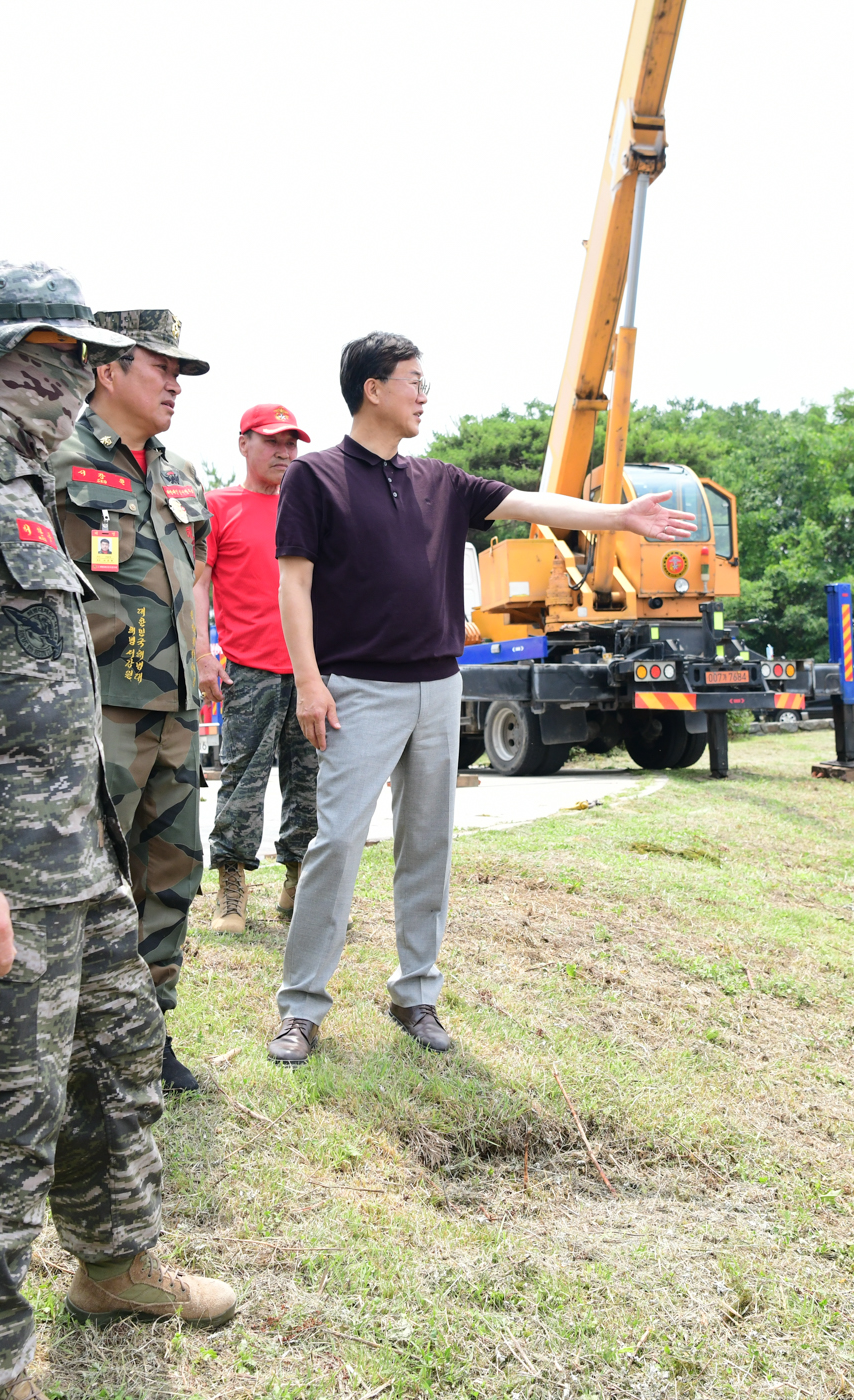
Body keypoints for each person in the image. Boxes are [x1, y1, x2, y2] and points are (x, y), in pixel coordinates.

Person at [0, 263, 233, 1400]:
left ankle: (116, 1264)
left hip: (77, 865)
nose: (78, 379)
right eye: (60, 356)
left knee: (116, 1073)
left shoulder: (22, 486)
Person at [266, 333, 696, 1065]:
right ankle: (301, 1009)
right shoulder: (317, 477)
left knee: (427, 845)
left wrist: (619, 519)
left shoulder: (442, 480)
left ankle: (416, 996)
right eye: (413, 381)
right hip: (357, 690)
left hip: (439, 687)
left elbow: (531, 502)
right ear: (373, 389)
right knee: (337, 842)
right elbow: (294, 583)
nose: (424, 394)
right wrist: (308, 678)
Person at [47, 310, 213, 1097]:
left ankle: (146, 1033)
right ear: (108, 369)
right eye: (162, 367)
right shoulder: (52, 459)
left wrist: (205, 654)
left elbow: (194, 580)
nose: (175, 384)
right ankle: (70, 1039)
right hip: (96, 708)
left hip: (175, 705)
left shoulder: (179, 473)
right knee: (85, 875)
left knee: (171, 868)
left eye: (181, 373)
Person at [203, 403, 317, 937]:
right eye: (273, 441)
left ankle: (298, 881)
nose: (285, 452)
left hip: (310, 671)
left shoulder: (310, 507)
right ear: (243, 443)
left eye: (292, 443)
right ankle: (231, 885)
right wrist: (203, 653)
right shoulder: (218, 506)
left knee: (311, 782)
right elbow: (198, 584)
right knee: (242, 782)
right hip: (246, 670)